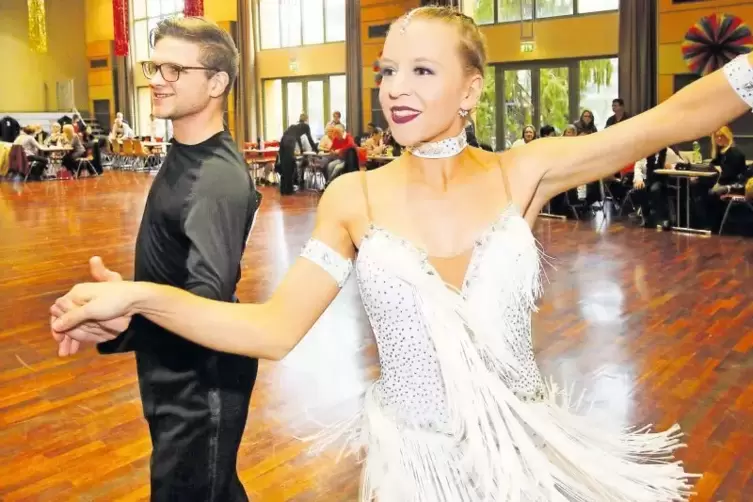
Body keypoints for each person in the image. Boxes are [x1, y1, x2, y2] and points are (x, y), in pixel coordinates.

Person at [50, 5, 753, 500]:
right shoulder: (353, 198)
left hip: (521, 459)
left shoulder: (524, 171)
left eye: (421, 71)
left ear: (471, 87)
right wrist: (140, 297)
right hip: (413, 468)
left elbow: (680, 115)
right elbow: (271, 330)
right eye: (387, 71)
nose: (395, 89)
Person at [52, 17, 261, 502]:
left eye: (174, 68)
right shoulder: (187, 153)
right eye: (154, 65)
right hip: (174, 368)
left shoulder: (214, 179)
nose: (156, 78)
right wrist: (125, 307)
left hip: (200, 383)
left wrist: (126, 317)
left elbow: (206, 304)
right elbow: (181, 276)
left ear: (216, 83)